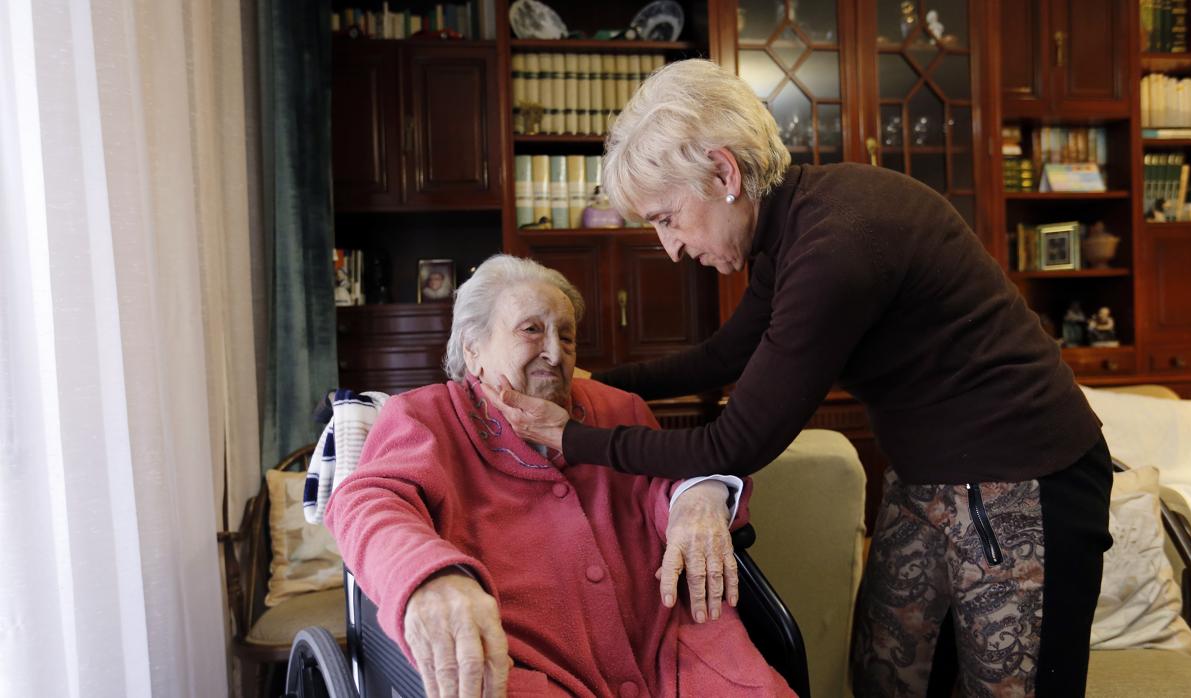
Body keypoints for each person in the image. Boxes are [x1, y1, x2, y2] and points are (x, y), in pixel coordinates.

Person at [481, 60, 1112, 698]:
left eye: (667, 218)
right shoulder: (790, 230)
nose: (671, 248)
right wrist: (589, 384)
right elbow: (723, 356)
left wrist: (570, 437)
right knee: (885, 679)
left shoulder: (835, 245)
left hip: (1026, 475)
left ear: (724, 173)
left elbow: (732, 445)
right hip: (927, 477)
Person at [325, 255, 793, 698]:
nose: (554, 352)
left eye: (566, 337)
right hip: (527, 670)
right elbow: (367, 501)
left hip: (672, 655)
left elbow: (674, 478)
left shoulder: (618, 408)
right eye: (532, 330)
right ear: (473, 348)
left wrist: (700, 493)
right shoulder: (425, 417)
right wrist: (431, 578)